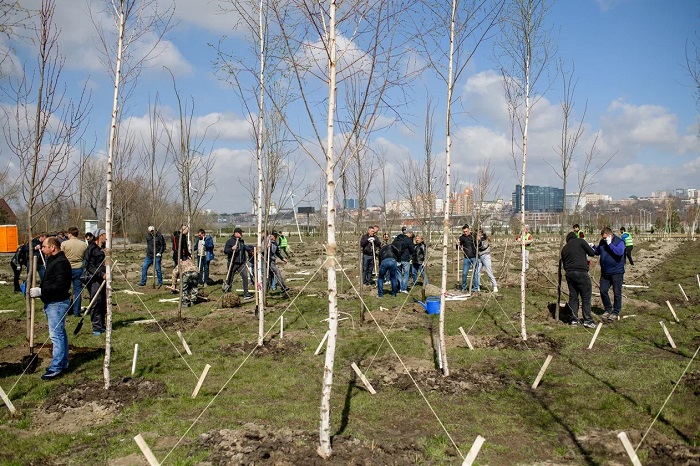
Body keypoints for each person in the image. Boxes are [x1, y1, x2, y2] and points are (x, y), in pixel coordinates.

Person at [29, 236, 71, 380]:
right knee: (60, 333)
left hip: (57, 303)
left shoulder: (61, 263)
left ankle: (56, 367)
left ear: (53, 247)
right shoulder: (53, 260)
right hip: (53, 302)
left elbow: (61, 286)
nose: (42, 248)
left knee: (56, 335)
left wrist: (42, 291)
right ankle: (63, 362)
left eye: (45, 246)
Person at [560, 231, 596, 328]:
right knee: (586, 297)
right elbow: (592, 253)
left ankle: (573, 319)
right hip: (581, 272)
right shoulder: (580, 241)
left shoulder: (564, 248)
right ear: (575, 237)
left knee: (573, 297)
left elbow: (564, 264)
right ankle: (588, 320)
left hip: (569, 274)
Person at [593, 227, 626, 323]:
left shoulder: (619, 242)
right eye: (602, 238)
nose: (603, 239)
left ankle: (615, 312)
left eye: (605, 237)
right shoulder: (602, 242)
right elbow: (598, 251)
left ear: (610, 235)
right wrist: (592, 247)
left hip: (617, 272)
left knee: (617, 292)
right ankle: (608, 309)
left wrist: (610, 244)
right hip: (605, 272)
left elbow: (619, 253)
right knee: (603, 290)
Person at [84, 229, 107, 335]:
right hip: (95, 280)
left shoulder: (104, 248)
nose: (107, 237)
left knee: (103, 302)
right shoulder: (91, 249)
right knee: (96, 302)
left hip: (105, 279)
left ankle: (102, 325)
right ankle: (96, 327)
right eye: (105, 235)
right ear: (100, 235)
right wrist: (101, 274)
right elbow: (90, 266)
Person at [61, 227, 88, 317]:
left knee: (64, 290)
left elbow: (61, 256)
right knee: (77, 291)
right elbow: (85, 257)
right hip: (79, 268)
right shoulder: (83, 244)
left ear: (70, 234)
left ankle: (65, 310)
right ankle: (76, 311)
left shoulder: (64, 244)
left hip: (67, 268)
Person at [223, 228, 252, 299]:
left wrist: (245, 260)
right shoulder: (230, 241)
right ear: (236, 233)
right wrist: (232, 249)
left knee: (245, 277)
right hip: (232, 263)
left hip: (241, 264)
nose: (242, 234)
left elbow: (243, 251)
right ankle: (228, 293)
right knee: (230, 279)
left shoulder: (241, 241)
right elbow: (225, 251)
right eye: (240, 233)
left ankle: (246, 293)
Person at [458, 224, 479, 293]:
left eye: (466, 231)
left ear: (469, 230)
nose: (465, 233)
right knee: (464, 273)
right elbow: (458, 248)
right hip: (466, 258)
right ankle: (464, 287)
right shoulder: (462, 237)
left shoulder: (473, 236)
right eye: (464, 232)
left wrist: (479, 240)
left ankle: (475, 288)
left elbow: (479, 244)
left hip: (474, 257)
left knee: (475, 273)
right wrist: (457, 244)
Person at [394, 227, 415, 293]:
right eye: (411, 234)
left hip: (397, 258)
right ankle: (403, 288)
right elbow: (412, 249)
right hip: (405, 258)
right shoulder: (408, 240)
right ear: (409, 233)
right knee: (406, 273)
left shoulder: (397, 238)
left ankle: (399, 287)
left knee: (398, 273)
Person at [477, 228, 498, 293]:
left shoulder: (484, 238)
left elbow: (483, 246)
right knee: (477, 272)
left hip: (486, 256)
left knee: (489, 271)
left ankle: (495, 286)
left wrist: (479, 240)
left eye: (480, 232)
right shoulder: (476, 238)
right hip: (479, 256)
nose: (478, 234)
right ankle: (477, 286)